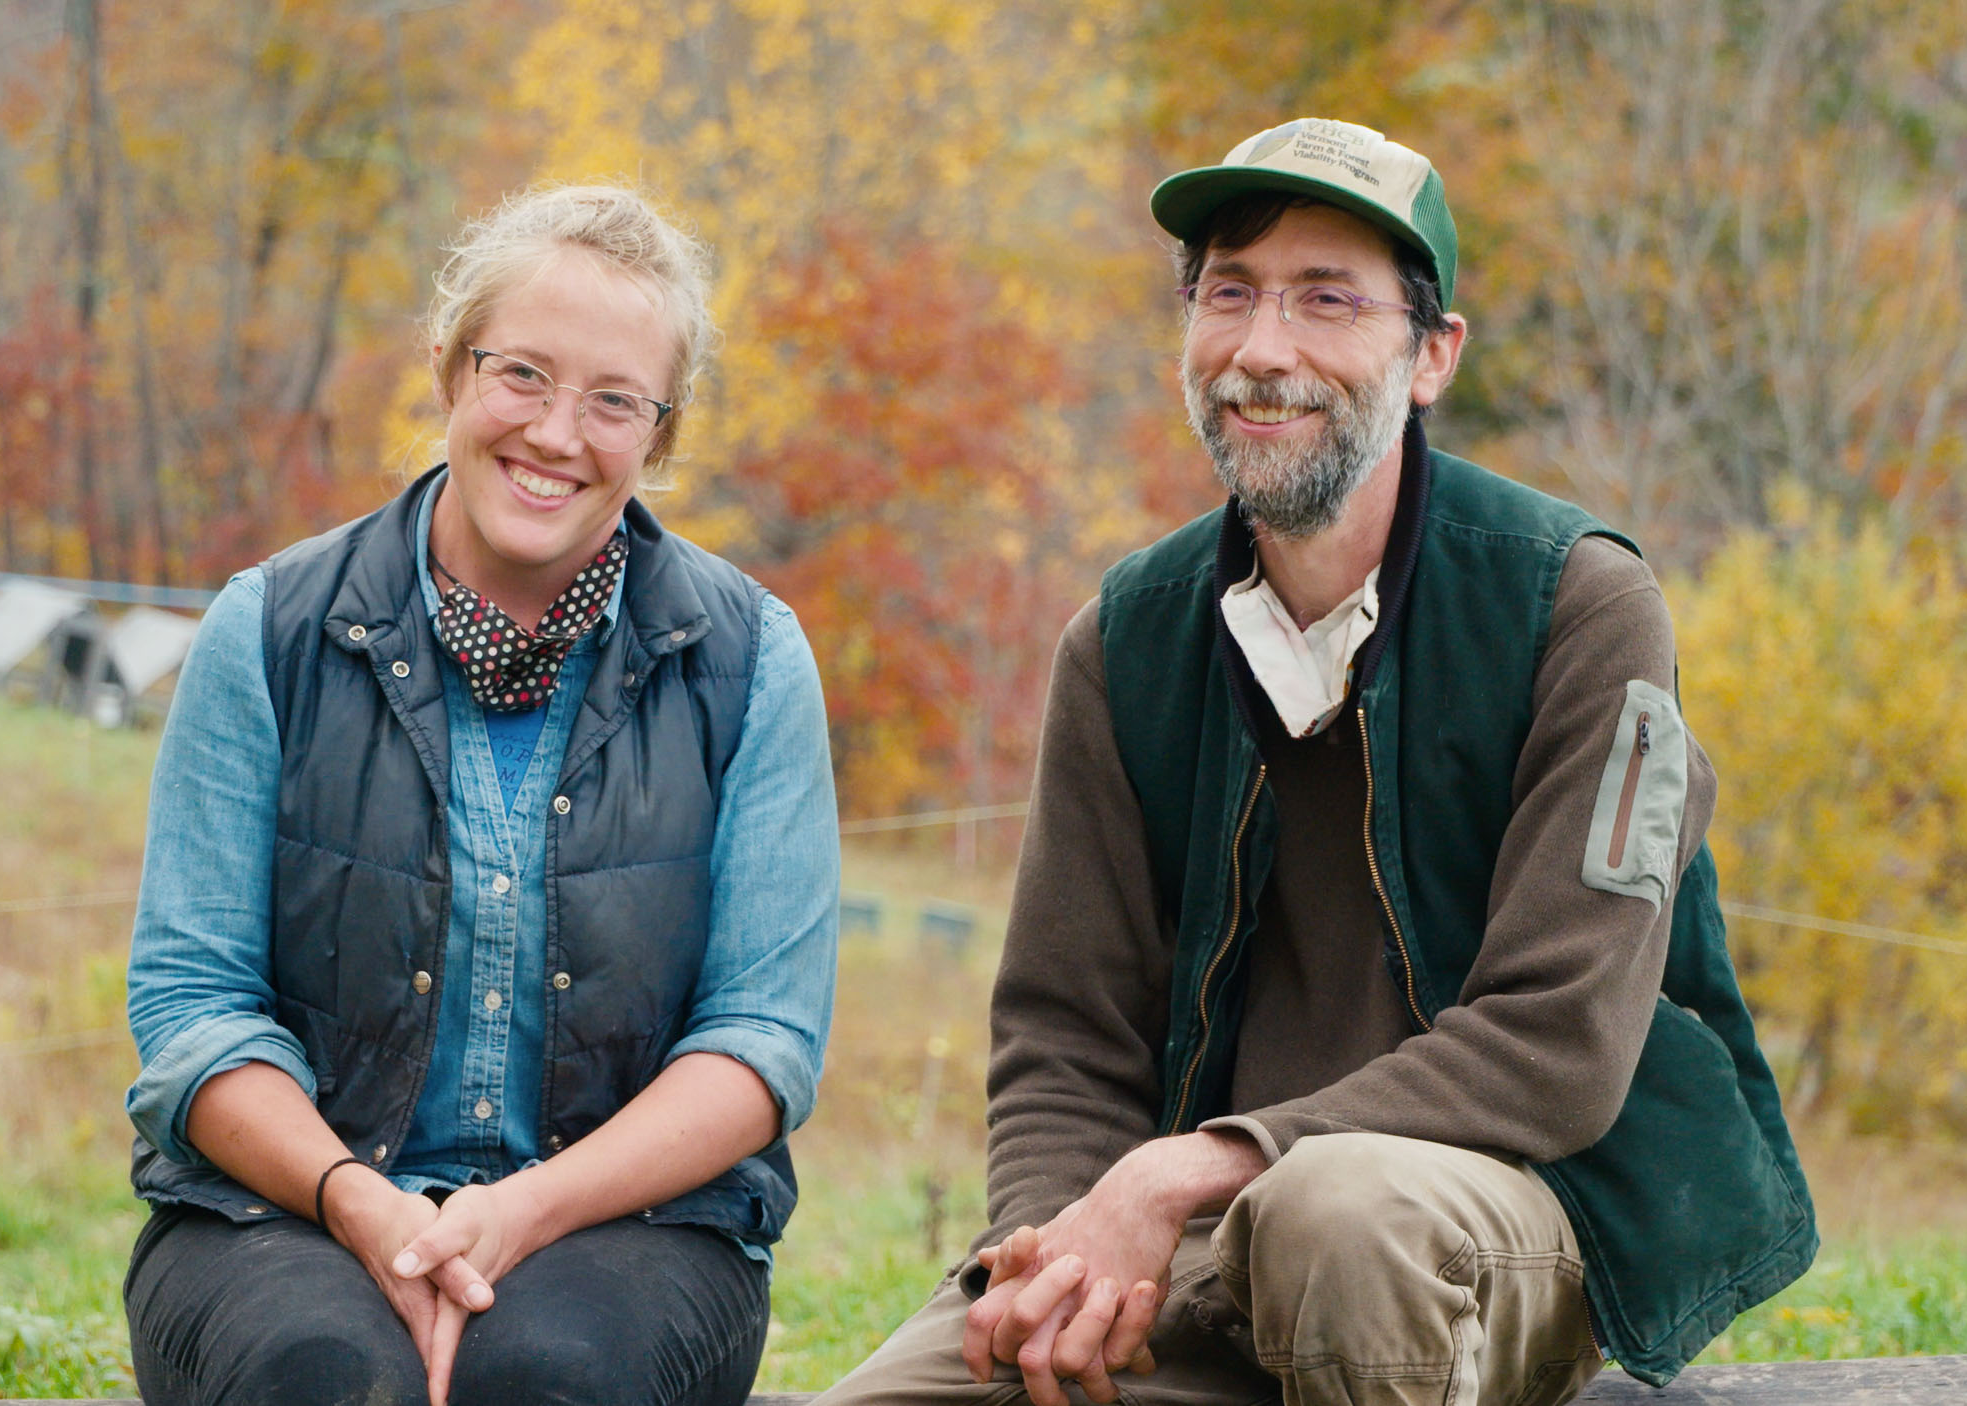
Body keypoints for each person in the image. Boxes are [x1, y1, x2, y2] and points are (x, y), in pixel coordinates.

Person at [817, 119, 1814, 1406]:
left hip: (1505, 1215)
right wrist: (1061, 1244)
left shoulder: (1579, 605)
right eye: (1227, 293)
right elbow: (1066, 1028)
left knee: (1334, 1209)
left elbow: (1555, 1042)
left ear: (1431, 354)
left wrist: (1187, 1164)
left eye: (1326, 300)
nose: (1262, 348)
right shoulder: (1123, 641)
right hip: (1219, 1230)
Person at [121, 184, 840, 1406]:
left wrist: (521, 1210)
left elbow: (761, 1041)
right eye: (522, 374)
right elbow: (192, 1004)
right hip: (281, 1212)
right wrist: (361, 1202)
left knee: (549, 1380)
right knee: (325, 1374)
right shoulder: (272, 629)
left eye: (615, 399)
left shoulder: (749, 660)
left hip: (633, 1226)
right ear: (453, 372)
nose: (558, 433)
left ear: (658, 435)